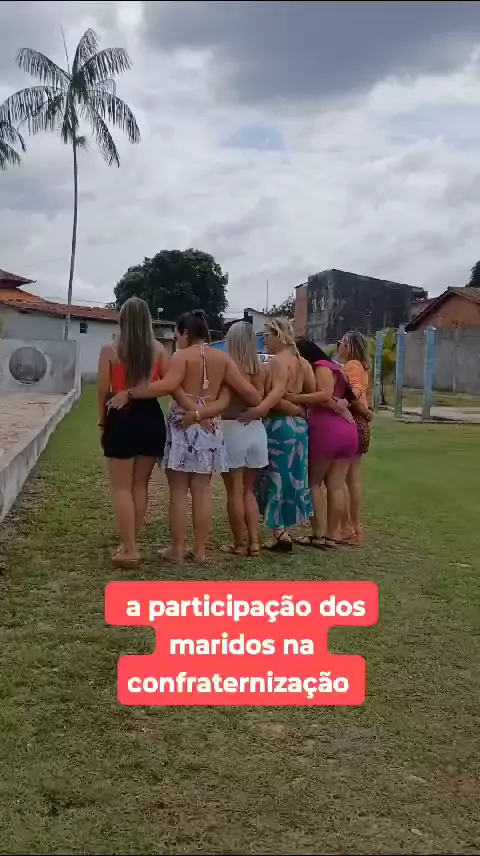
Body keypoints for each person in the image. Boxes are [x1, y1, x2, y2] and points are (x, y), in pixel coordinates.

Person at [108, 310, 261, 564]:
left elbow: (168, 386)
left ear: (186, 333)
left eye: (177, 335)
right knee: (202, 490)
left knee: (178, 492)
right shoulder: (222, 359)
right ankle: (200, 551)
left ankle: (177, 549)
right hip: (210, 426)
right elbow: (252, 395)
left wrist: (131, 393)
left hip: (183, 423)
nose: (176, 340)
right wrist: (220, 400)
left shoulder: (181, 356)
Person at [97, 296, 168, 569]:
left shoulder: (110, 350)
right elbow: (168, 384)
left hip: (121, 418)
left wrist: (102, 423)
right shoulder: (159, 350)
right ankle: (130, 542)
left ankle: (129, 548)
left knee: (121, 488)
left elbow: (103, 392)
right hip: (151, 419)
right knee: (139, 485)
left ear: (123, 319)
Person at [239, 317, 315, 552]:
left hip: (279, 426)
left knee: (272, 478)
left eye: (267, 336)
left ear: (278, 336)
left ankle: (279, 530)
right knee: (291, 478)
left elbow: (277, 395)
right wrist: (299, 409)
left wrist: (263, 408)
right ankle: (282, 529)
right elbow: (312, 393)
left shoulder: (277, 362)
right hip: (299, 427)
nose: (264, 341)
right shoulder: (303, 363)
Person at [289, 338, 359, 549]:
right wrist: (342, 404)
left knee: (313, 482)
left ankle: (319, 533)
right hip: (347, 430)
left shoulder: (320, 367)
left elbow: (325, 395)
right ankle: (332, 534)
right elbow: (349, 395)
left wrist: (294, 397)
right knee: (336, 484)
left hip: (326, 429)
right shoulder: (336, 367)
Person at [219, 321, 269, 557]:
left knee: (234, 491)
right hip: (256, 430)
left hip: (232, 429)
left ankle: (239, 543)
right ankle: (255, 542)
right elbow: (261, 399)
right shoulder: (260, 369)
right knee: (248, 490)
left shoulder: (226, 368)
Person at [337, 331, 372, 544]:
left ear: (349, 346)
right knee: (352, 479)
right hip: (362, 423)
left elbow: (356, 390)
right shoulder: (361, 367)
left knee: (343, 479)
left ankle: (348, 527)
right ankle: (354, 526)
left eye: (342, 342)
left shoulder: (352, 365)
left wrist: (347, 400)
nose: (339, 345)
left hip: (354, 422)